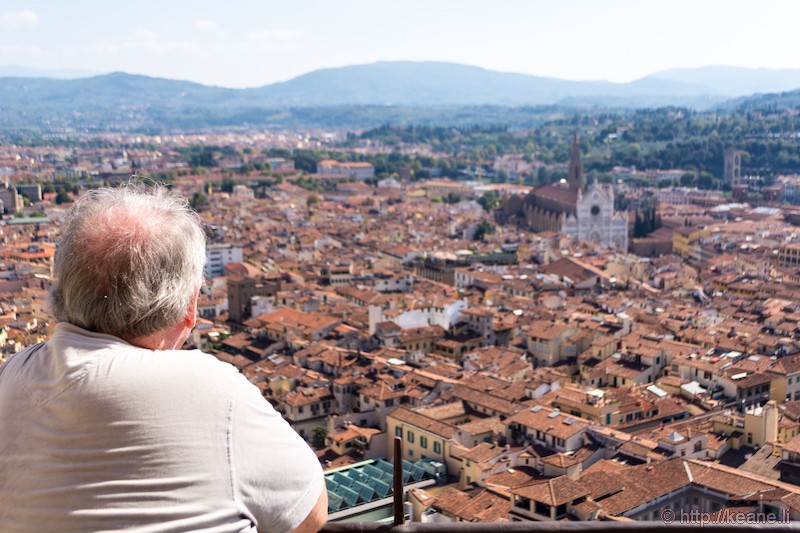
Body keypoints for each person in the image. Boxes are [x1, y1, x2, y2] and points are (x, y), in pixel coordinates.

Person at [0, 185, 327, 533]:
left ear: (59, 290)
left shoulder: (12, 374)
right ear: (190, 308)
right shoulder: (212, 391)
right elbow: (309, 512)